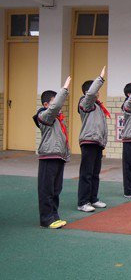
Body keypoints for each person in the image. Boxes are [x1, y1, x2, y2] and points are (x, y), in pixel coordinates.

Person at [33, 76, 71, 229]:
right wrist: (65, 89)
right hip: (49, 155)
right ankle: (46, 219)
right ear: (46, 104)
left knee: (56, 189)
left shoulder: (57, 119)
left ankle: (54, 215)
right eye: (55, 102)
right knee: (46, 188)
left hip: (58, 156)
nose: (59, 107)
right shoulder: (44, 116)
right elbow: (54, 108)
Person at [77, 66, 110, 212]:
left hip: (98, 143)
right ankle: (83, 202)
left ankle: (93, 198)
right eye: (96, 90)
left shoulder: (98, 106)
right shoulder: (85, 103)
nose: (98, 93)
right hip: (89, 141)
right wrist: (101, 78)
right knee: (87, 173)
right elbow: (90, 95)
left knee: (95, 173)